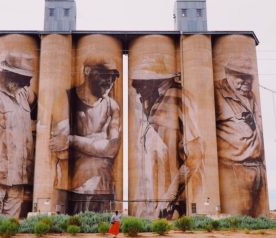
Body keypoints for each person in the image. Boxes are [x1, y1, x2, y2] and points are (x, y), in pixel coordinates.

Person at [131, 57, 203, 218]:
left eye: (141, 83)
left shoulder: (178, 97)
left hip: (173, 205)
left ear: (156, 82)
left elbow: (195, 156)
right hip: (153, 204)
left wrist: (169, 198)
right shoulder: (149, 105)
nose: (137, 90)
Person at [50, 57, 121, 213]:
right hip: (72, 189)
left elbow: (111, 149)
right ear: (87, 71)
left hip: (104, 189)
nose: (109, 81)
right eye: (104, 75)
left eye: (112, 77)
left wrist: (73, 140)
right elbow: (60, 150)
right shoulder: (66, 99)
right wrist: (97, 142)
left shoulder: (112, 106)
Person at [215, 56, 268, 217]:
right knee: (238, 217)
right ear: (228, 74)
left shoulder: (251, 96)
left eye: (249, 77)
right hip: (234, 170)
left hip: (258, 168)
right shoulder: (216, 93)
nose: (247, 81)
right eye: (240, 76)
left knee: (258, 219)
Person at [0, 54, 36, 218]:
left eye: (25, 81)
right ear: (9, 76)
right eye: (20, 79)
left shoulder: (23, 95)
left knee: (10, 225)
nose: (23, 85)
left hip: (19, 177)